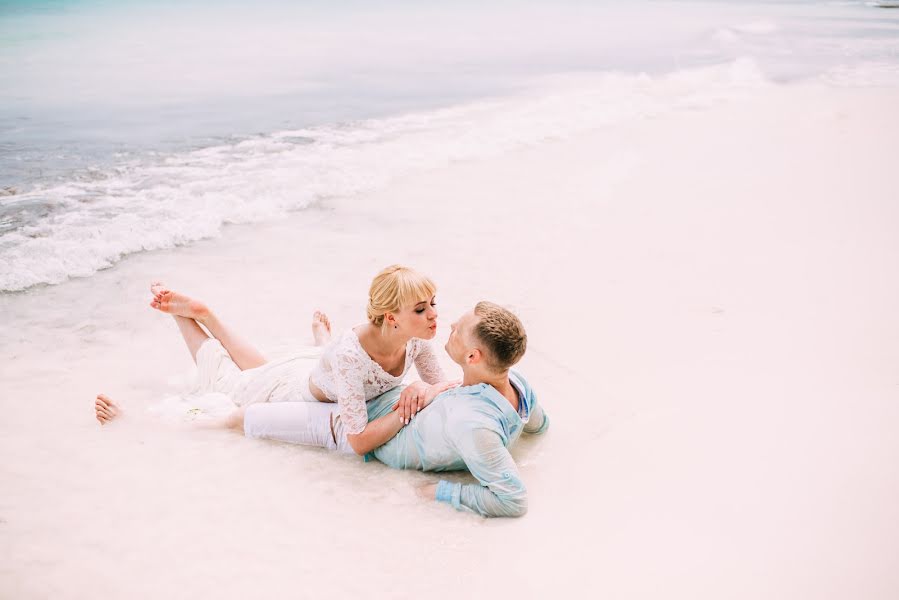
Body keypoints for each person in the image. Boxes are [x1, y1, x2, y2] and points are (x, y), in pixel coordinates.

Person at [95, 265, 456, 456]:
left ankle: (215, 319)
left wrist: (424, 387)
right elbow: (358, 440)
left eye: (434, 304)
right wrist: (408, 405)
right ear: (391, 318)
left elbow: (440, 386)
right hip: (295, 391)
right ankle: (187, 318)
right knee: (227, 381)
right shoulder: (351, 354)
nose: (433, 316)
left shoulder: (415, 342)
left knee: (263, 367)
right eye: (421, 309)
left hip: (316, 369)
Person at [241, 301, 550, 518]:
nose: (450, 324)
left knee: (248, 415)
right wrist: (428, 389)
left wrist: (438, 492)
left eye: (457, 330)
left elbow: (513, 499)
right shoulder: (518, 385)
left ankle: (193, 424)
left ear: (473, 357)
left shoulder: (473, 425)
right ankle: (324, 347)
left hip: (348, 430)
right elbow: (539, 426)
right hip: (376, 395)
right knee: (300, 377)